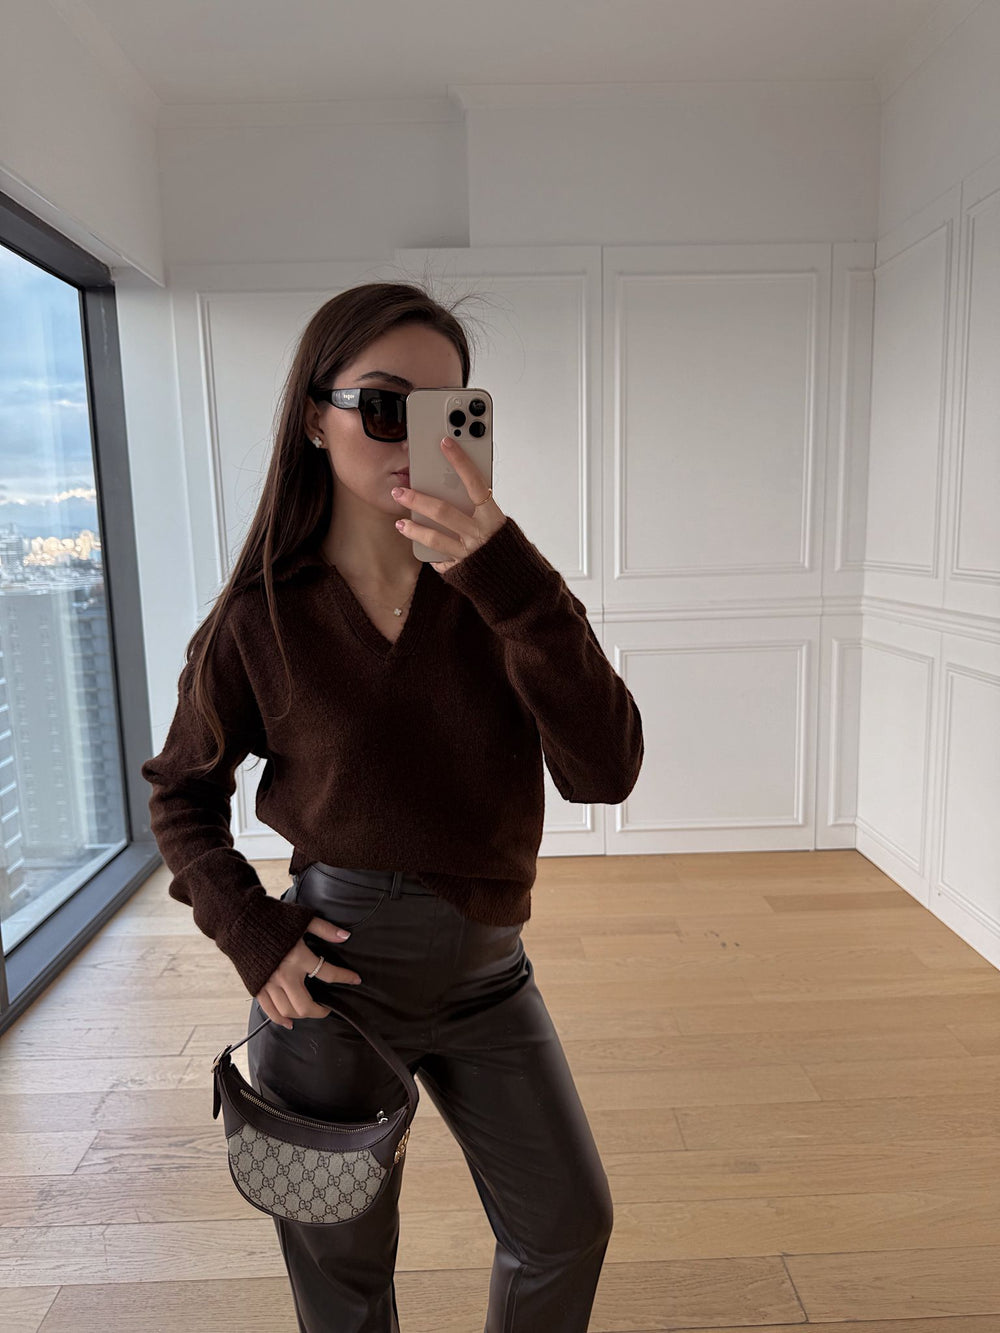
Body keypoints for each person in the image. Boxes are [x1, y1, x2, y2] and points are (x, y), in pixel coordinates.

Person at [140, 281, 645, 1333]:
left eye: (446, 410)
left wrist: (509, 579)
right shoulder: (260, 619)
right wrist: (251, 933)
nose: (417, 438)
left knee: (566, 1225)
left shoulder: (506, 598)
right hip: (333, 992)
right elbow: (181, 791)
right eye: (382, 406)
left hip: (491, 978)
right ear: (312, 423)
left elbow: (604, 771)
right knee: (346, 1273)